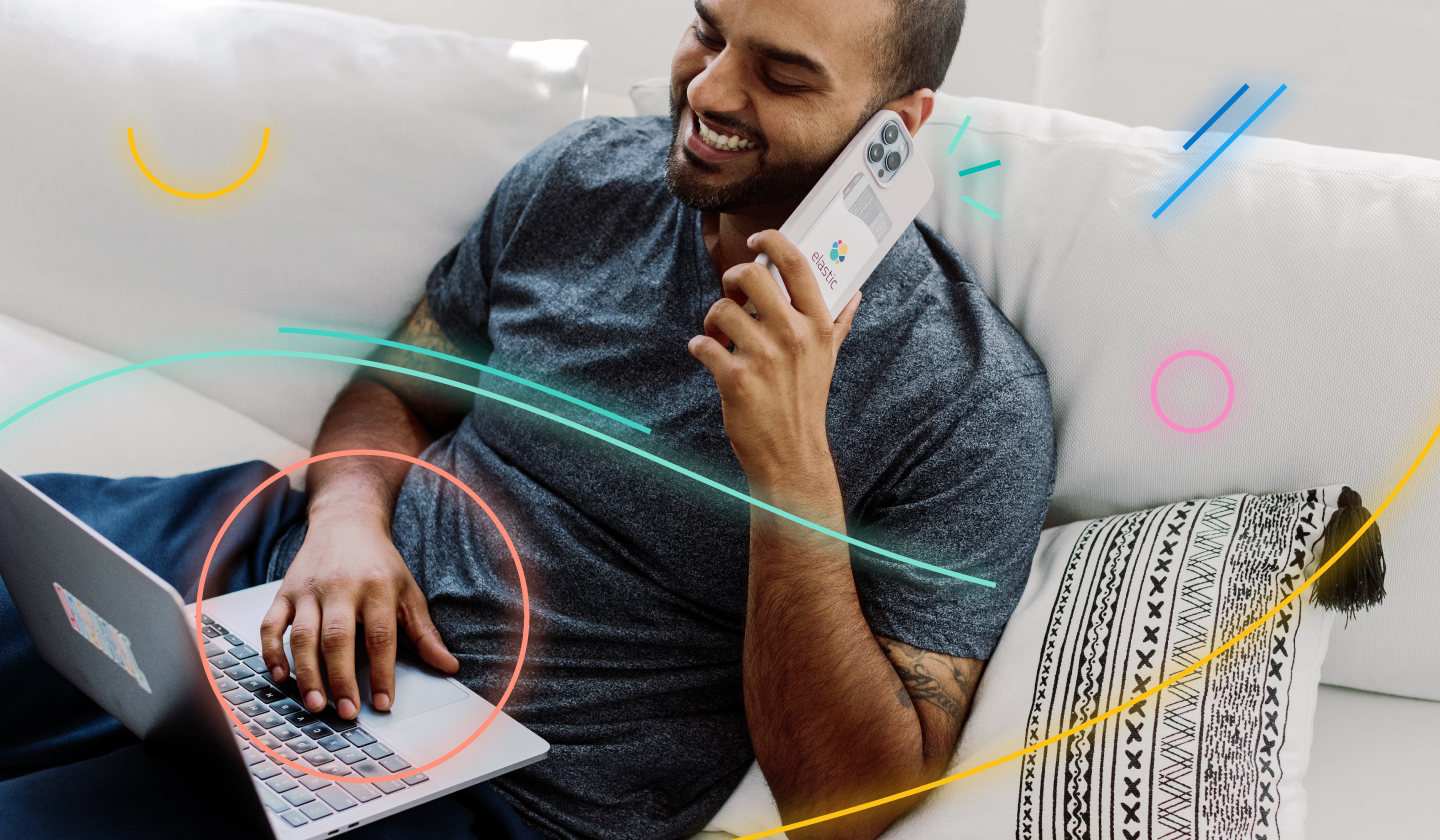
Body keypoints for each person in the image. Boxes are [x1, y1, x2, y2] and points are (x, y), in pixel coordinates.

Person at [0, 0, 1056, 838]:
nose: (714, 91)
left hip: (470, 782)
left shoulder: (969, 404)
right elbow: (398, 384)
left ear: (899, 126)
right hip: (270, 564)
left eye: (782, 73)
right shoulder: (587, 174)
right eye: (707, 29)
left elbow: (845, 805)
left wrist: (788, 471)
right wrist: (348, 524)